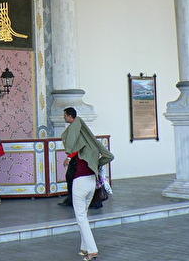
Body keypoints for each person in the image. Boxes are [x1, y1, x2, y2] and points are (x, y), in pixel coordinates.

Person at [61, 107, 114, 261]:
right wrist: (96, 164)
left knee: (81, 219)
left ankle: (92, 250)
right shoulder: (91, 148)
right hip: (92, 182)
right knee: (83, 216)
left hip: (80, 183)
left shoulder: (77, 151)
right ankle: (84, 248)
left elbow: (70, 146)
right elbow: (109, 156)